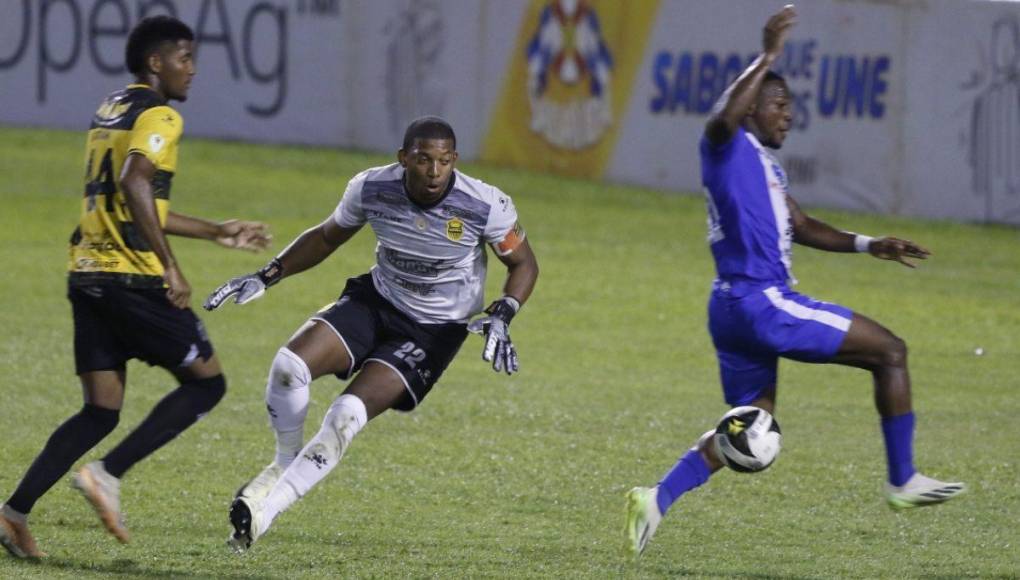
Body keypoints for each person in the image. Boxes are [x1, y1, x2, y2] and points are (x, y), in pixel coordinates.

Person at [624, 4, 965, 557]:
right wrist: (769, 56)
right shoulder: (724, 145)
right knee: (891, 352)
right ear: (752, 104)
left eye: (790, 106)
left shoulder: (763, 165)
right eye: (779, 104)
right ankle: (902, 480)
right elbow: (719, 120)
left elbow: (801, 225)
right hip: (763, 301)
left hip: (732, 309)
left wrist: (867, 244)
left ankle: (656, 498)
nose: (787, 115)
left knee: (752, 427)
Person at [0, 16, 271, 559]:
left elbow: (138, 202)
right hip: (132, 280)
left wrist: (217, 230)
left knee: (101, 409)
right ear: (156, 62)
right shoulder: (161, 114)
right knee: (206, 384)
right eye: (184, 58)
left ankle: (11, 515)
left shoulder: (111, 109)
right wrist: (170, 266)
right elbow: (135, 180)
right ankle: (107, 474)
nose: (192, 70)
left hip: (88, 274)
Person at [203, 116, 539, 552]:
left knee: (345, 415)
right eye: (423, 160)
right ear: (404, 159)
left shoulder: (485, 205)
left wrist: (504, 311)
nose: (434, 172)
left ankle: (264, 515)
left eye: (443, 161)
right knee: (289, 367)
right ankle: (284, 460)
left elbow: (524, 264)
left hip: (434, 330)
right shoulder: (371, 188)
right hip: (377, 300)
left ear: (455, 160)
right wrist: (269, 274)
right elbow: (327, 237)